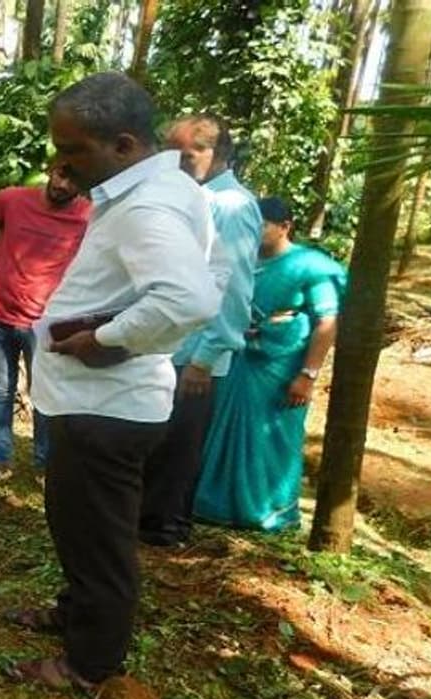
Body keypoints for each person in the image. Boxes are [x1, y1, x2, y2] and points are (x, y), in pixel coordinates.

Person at [3, 72, 220, 691]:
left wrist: (103, 338)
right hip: (104, 400)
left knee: (98, 543)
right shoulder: (158, 192)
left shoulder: (147, 206)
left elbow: (187, 298)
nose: (62, 165)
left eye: (74, 150)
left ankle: (87, 666)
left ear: (124, 145)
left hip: (107, 407)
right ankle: (74, 615)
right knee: (81, 529)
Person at [138, 114, 262, 547]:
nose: (175, 162)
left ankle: (166, 528)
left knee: (178, 447)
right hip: (172, 347)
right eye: (169, 152)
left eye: (186, 155)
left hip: (195, 355)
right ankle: (151, 522)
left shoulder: (229, 205)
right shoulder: (196, 197)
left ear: (216, 154)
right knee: (160, 440)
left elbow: (232, 288)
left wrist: (206, 358)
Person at [194, 198, 346, 532]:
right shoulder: (238, 260)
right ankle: (214, 505)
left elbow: (326, 321)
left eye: (261, 226)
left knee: (274, 437)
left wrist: (308, 375)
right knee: (221, 427)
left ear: (285, 226)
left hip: (280, 369)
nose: (254, 233)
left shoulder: (311, 266)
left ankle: (268, 511)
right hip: (233, 360)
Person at [0, 164, 90, 488]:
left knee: (45, 393)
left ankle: (46, 466)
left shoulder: (90, 216)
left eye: (72, 178)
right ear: (50, 171)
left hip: (46, 322)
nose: (62, 183)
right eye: (60, 174)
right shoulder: (14, 199)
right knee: (0, 391)